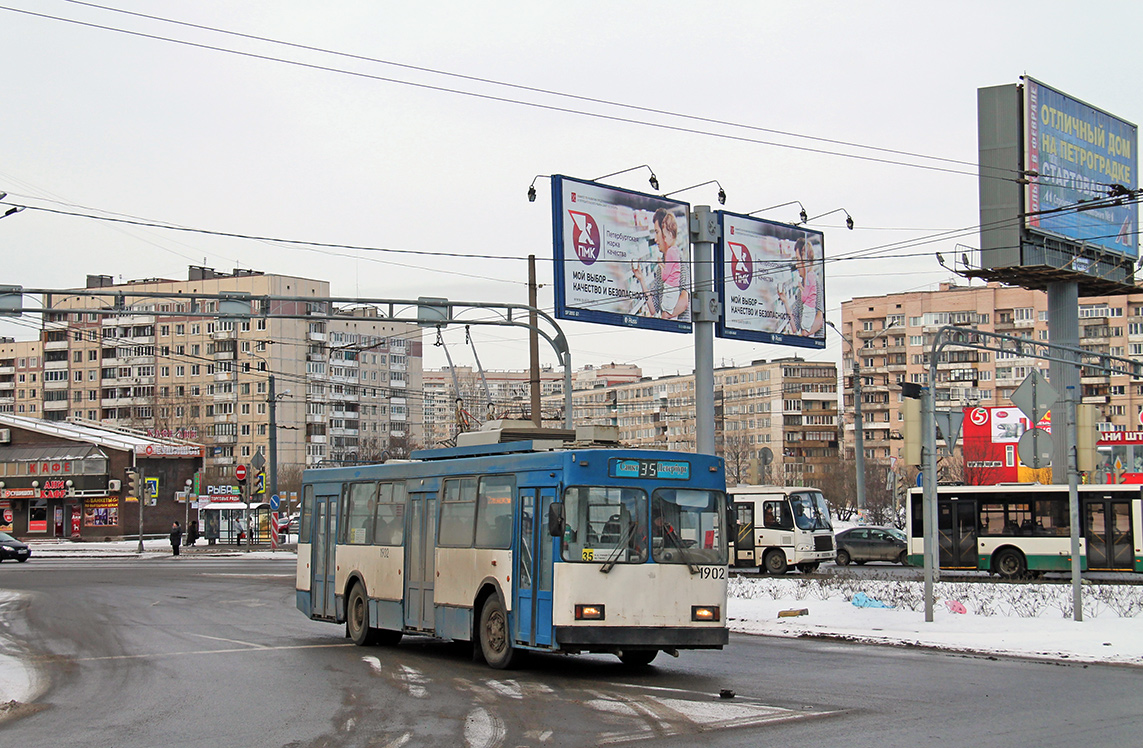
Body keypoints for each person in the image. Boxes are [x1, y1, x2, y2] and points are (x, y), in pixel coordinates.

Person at [632, 209, 690, 320]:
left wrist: (665, 317)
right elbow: (653, 309)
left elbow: (684, 302)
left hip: (680, 331)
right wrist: (641, 279)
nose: (655, 238)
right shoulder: (661, 266)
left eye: (657, 232)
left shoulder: (679, 260)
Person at [779, 236, 823, 337]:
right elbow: (795, 327)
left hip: (815, 338)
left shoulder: (815, 282)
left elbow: (819, 321)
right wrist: (785, 301)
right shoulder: (800, 291)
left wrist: (804, 334)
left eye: (798, 260)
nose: (797, 265)